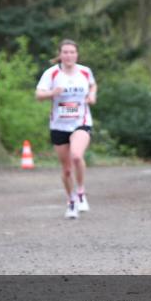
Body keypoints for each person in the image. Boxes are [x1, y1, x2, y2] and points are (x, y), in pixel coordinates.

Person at [35, 40, 97, 219]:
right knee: (67, 169)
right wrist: (52, 93)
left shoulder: (85, 71)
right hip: (59, 125)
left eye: (72, 52)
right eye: (65, 52)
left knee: (77, 156)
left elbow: (92, 85)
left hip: (81, 121)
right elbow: (38, 94)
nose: (69, 55)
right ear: (60, 54)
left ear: (77, 54)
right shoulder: (52, 73)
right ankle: (71, 201)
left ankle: (81, 192)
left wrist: (92, 95)